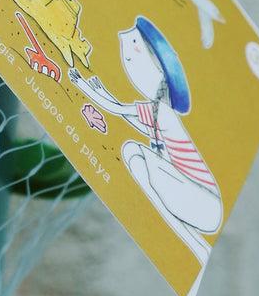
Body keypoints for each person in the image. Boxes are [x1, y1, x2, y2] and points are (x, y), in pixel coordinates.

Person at [70, 17, 222, 267]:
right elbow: (127, 117)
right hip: (194, 196)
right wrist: (100, 92)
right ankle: (193, 241)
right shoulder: (156, 114)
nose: (128, 66)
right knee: (133, 153)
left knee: (134, 151)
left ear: (159, 70)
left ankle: (192, 242)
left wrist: (82, 85)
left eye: (131, 58)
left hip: (204, 200)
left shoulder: (162, 112)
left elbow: (117, 109)